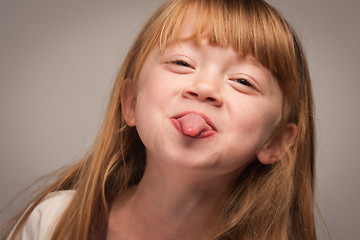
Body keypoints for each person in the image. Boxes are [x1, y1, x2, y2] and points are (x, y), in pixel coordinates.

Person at [4, 0, 316, 239]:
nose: (204, 89)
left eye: (243, 81)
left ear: (276, 141)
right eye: (181, 62)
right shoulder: (55, 221)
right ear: (130, 103)